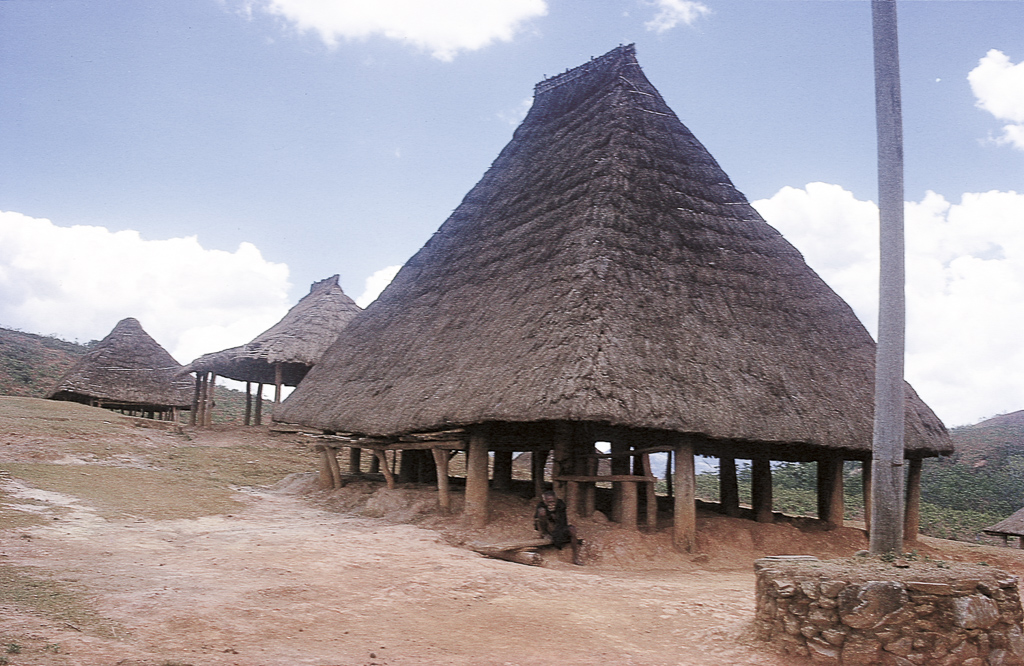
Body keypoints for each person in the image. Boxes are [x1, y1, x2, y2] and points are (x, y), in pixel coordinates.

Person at [534, 490, 583, 565]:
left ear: (556, 500)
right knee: (542, 513)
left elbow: (562, 522)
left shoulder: (561, 504)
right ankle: (545, 534)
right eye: (549, 502)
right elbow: (536, 523)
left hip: (559, 528)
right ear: (544, 501)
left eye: (553, 502)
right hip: (548, 528)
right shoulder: (541, 506)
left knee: (572, 529)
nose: (552, 504)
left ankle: (575, 557)